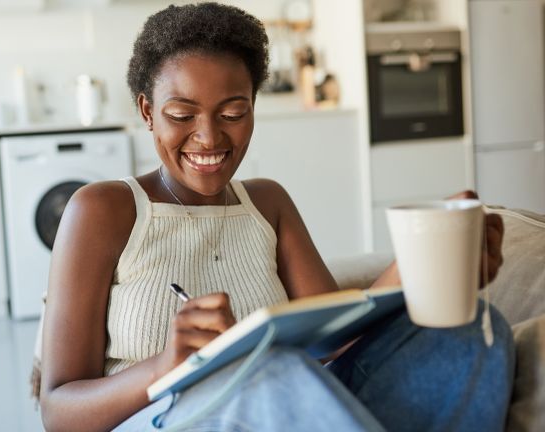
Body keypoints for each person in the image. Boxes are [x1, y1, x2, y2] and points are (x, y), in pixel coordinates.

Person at [39, 3, 513, 431]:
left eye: (233, 112)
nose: (208, 137)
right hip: (169, 417)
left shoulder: (268, 203)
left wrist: (429, 262)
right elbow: (58, 411)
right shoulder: (102, 210)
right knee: (271, 369)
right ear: (147, 111)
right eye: (182, 114)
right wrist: (166, 364)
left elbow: (336, 336)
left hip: (285, 405)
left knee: (471, 329)